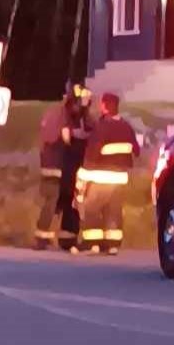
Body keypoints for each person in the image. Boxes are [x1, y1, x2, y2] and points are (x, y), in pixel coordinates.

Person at [76, 91, 140, 255]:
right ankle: (112, 245)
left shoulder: (102, 127)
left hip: (101, 177)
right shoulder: (127, 127)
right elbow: (136, 150)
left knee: (92, 209)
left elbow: (92, 153)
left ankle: (92, 244)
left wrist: (82, 176)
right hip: (120, 179)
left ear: (104, 106)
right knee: (114, 211)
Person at [32, 87, 78, 249]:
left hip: (46, 163)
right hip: (58, 166)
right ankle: (43, 237)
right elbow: (66, 137)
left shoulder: (51, 113)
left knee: (50, 202)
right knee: (53, 202)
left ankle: (44, 235)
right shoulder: (64, 116)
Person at [58, 84, 94, 250]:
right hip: (73, 164)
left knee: (75, 201)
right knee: (72, 200)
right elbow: (73, 136)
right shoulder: (71, 116)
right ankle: (68, 238)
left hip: (77, 164)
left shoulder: (81, 116)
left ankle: (69, 237)